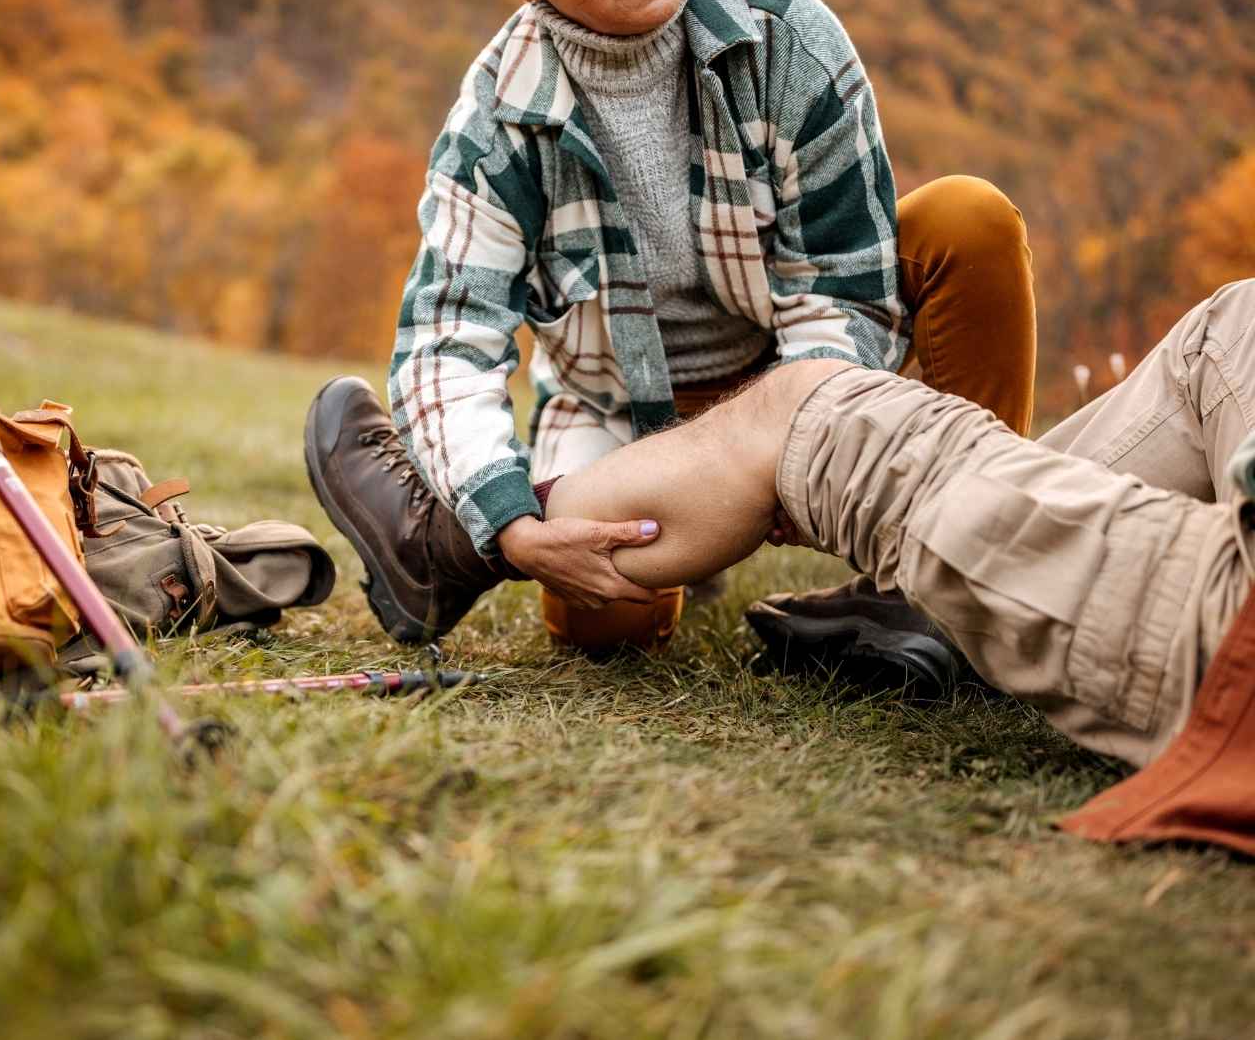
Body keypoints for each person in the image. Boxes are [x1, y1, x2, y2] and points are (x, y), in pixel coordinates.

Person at [313, 281, 1255, 844]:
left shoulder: (783, 38)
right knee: (1235, 322)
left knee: (801, 407)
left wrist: (811, 471)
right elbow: (452, 322)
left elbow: (839, 289)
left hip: (1232, 614)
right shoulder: (506, 102)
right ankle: (937, 607)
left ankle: (446, 548)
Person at [306, 0, 1037, 661]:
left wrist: (793, 444)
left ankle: (943, 580)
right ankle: (457, 540)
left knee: (967, 222)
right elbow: (447, 344)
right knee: (605, 628)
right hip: (623, 410)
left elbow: (846, 291)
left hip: (799, 367)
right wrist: (510, 522)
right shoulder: (494, 122)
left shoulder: (784, 35)